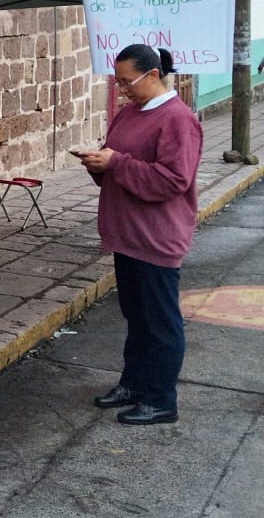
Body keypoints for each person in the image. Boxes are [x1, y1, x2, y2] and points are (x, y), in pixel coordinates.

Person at [77, 44, 201, 426]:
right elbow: (116, 161)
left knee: (160, 322)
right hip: (126, 234)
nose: (123, 89)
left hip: (156, 237)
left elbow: (173, 180)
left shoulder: (178, 120)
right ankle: (134, 383)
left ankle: (161, 399)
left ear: (153, 75)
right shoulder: (129, 113)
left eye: (128, 81)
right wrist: (98, 163)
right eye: (118, 81)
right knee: (135, 316)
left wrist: (116, 162)